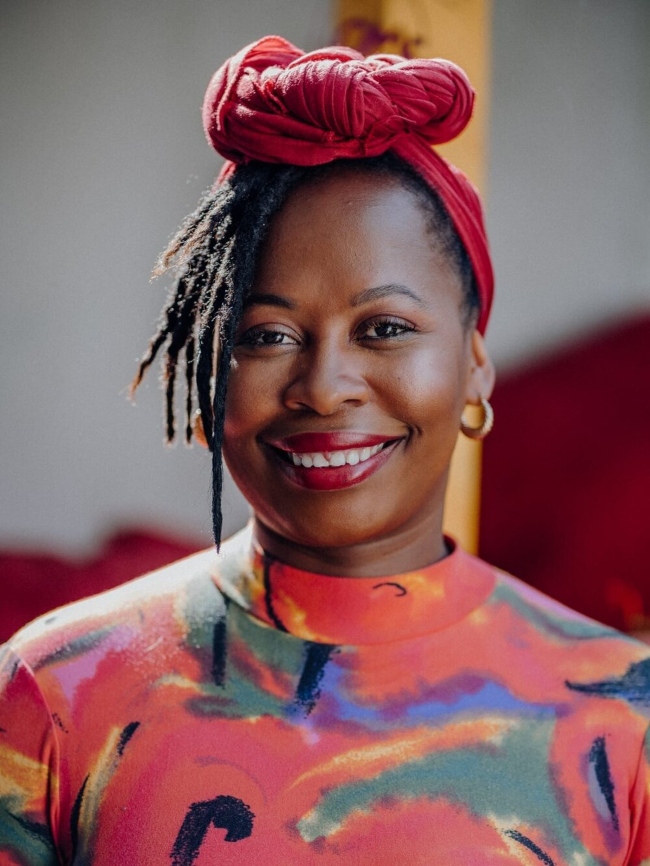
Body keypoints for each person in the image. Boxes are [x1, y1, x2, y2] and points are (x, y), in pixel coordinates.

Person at [1, 35, 648, 865]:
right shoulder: (53, 694)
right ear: (209, 376)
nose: (324, 385)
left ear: (474, 364)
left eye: (384, 329)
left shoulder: (624, 721)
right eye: (268, 335)